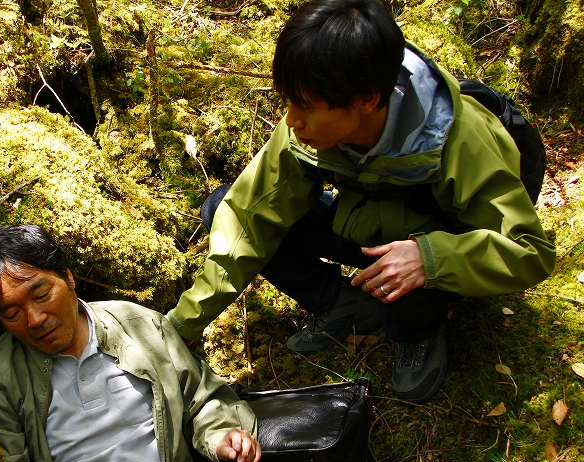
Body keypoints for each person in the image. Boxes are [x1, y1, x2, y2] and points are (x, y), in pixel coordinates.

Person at [166, 0, 555, 404]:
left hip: (434, 243)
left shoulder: (456, 141)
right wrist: (182, 326)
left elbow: (530, 252)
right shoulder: (307, 124)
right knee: (224, 207)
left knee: (412, 265)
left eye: (306, 106)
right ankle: (345, 304)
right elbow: (251, 214)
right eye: (289, 102)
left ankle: (418, 330)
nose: (292, 121)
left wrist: (432, 258)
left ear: (367, 99)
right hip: (370, 228)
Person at [0, 224, 277, 462]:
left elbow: (200, 399)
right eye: (12, 314)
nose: (34, 319)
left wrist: (222, 436)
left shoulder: (139, 325)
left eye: (42, 294)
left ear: (68, 276)